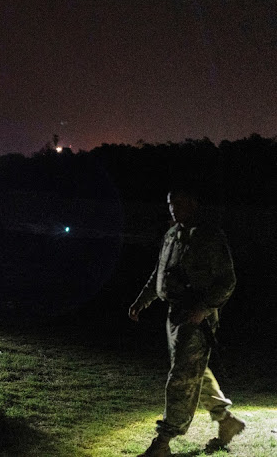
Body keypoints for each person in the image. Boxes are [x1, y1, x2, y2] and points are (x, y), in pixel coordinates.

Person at [129, 187, 245, 457]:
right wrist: (142, 300)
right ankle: (226, 420)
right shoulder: (172, 234)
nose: (173, 208)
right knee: (193, 370)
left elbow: (228, 281)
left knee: (181, 377)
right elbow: (161, 272)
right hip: (175, 315)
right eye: (170, 203)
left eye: (179, 203)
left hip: (196, 318)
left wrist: (204, 308)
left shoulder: (209, 236)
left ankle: (164, 440)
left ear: (194, 203)